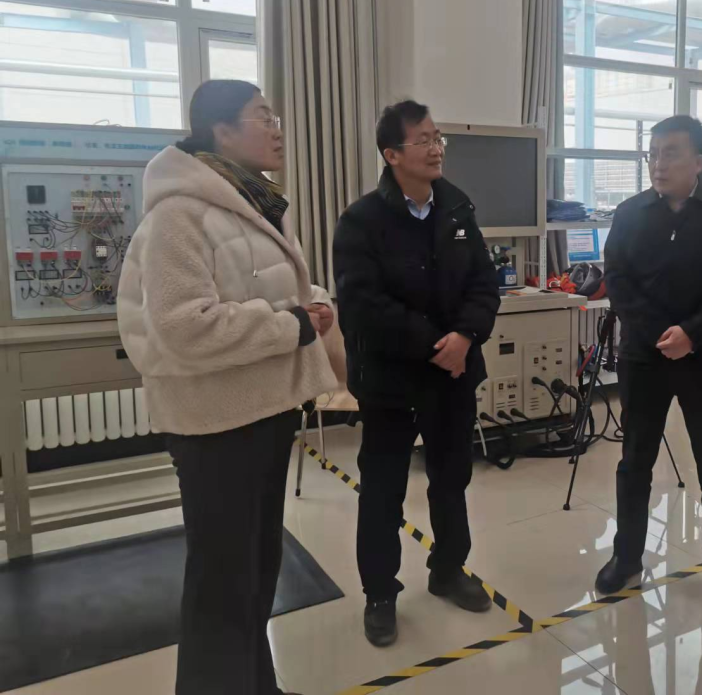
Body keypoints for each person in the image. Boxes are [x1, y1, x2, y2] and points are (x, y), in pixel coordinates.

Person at [118, 79, 339, 695]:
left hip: (264, 410)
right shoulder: (179, 215)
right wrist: (294, 325)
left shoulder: (252, 202)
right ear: (220, 131)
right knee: (222, 584)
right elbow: (184, 327)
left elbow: (274, 287)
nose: (276, 129)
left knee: (257, 570)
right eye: (262, 117)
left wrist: (315, 304)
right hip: (214, 424)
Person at [333, 100, 500, 647]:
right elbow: (363, 306)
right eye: (423, 140)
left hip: (453, 376)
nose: (435, 149)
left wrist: (466, 336)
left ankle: (448, 570)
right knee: (383, 490)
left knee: (452, 480)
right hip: (391, 382)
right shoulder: (362, 221)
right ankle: (380, 594)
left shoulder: (457, 208)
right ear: (392, 154)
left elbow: (484, 284)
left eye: (438, 138)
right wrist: (435, 345)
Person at [594, 115, 702, 613]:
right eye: (653, 154)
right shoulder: (630, 213)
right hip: (644, 357)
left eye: (671, 153)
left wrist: (692, 334)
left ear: (698, 162)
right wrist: (657, 335)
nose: (658, 164)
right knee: (635, 461)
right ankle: (626, 557)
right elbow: (618, 279)